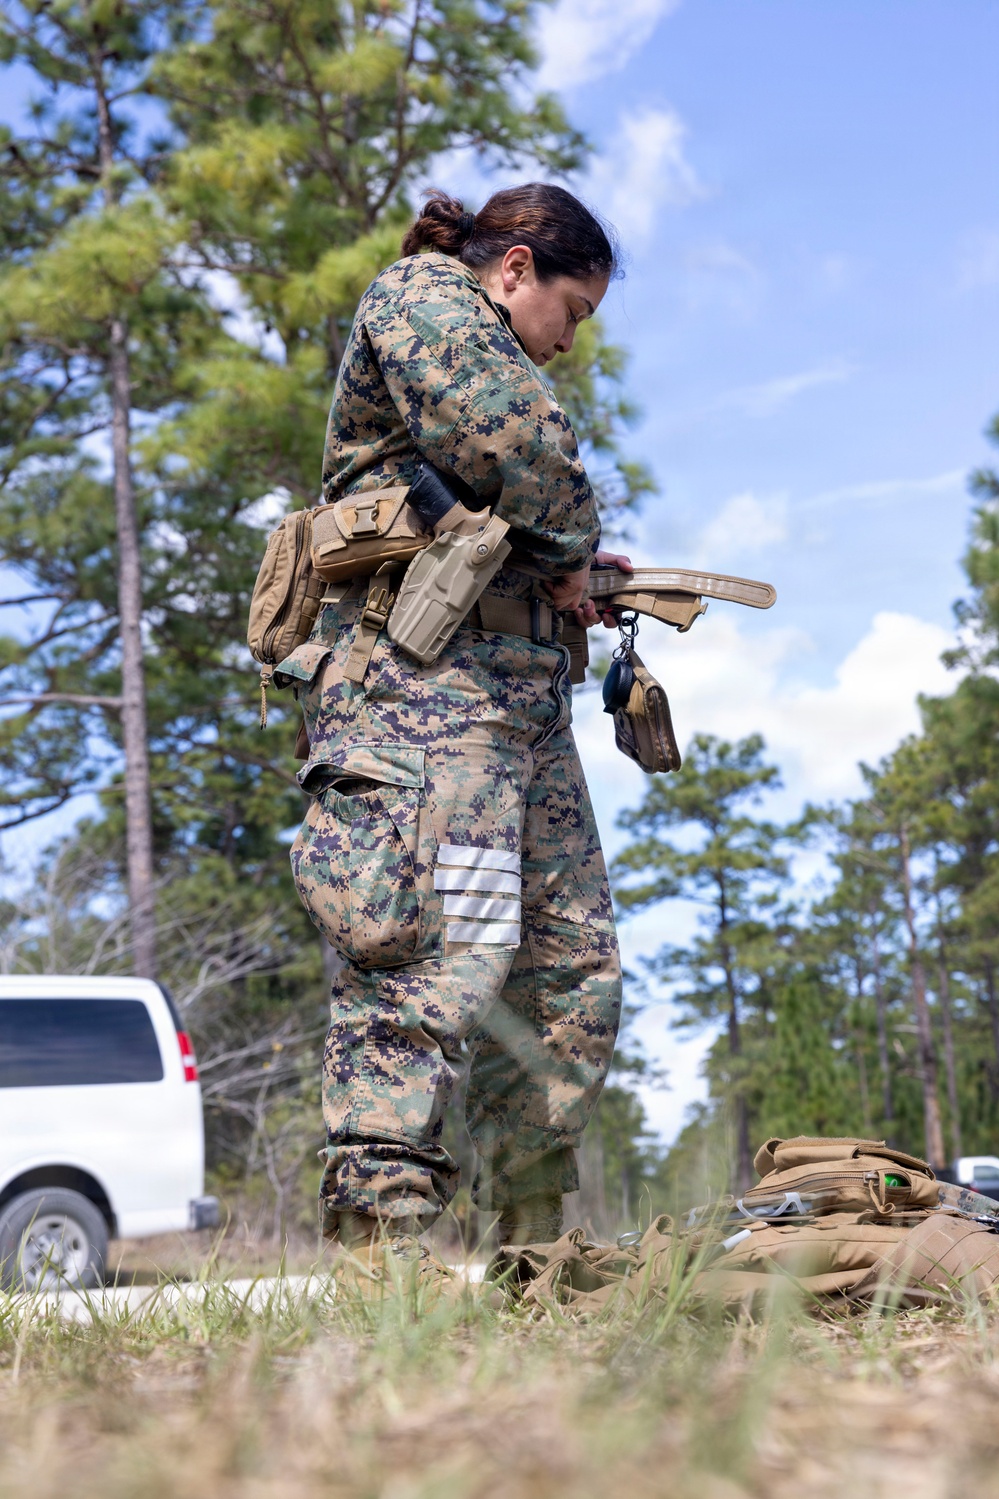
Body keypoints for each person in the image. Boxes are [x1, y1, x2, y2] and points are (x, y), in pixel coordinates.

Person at [280, 183, 630, 1284]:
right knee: (431, 963)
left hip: (516, 700)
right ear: (515, 266)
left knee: (570, 966)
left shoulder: (492, 340)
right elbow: (518, 452)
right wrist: (568, 538)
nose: (571, 341)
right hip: (429, 700)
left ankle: (532, 1252)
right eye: (571, 309)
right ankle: (382, 1263)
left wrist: (569, 577)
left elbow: (515, 499)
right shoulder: (425, 296)